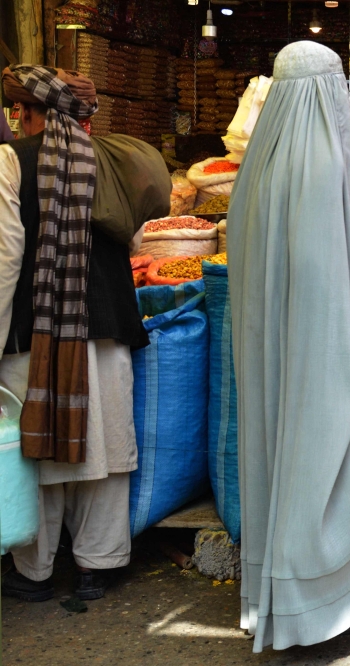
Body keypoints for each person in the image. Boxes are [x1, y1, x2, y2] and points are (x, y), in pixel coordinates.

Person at [227, 41, 350, 652]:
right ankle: (312, 600)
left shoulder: (259, 168)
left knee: (275, 457)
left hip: (268, 348)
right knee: (320, 460)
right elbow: (330, 278)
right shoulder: (322, 165)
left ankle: (272, 597)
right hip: (317, 346)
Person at [0, 65, 167, 601]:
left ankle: (36, 570)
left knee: (38, 448)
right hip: (109, 323)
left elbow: (7, 258)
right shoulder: (111, 160)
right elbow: (138, 241)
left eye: (17, 111)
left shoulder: (10, 161)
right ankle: (100, 562)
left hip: (36, 332)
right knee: (103, 446)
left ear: (27, 113)